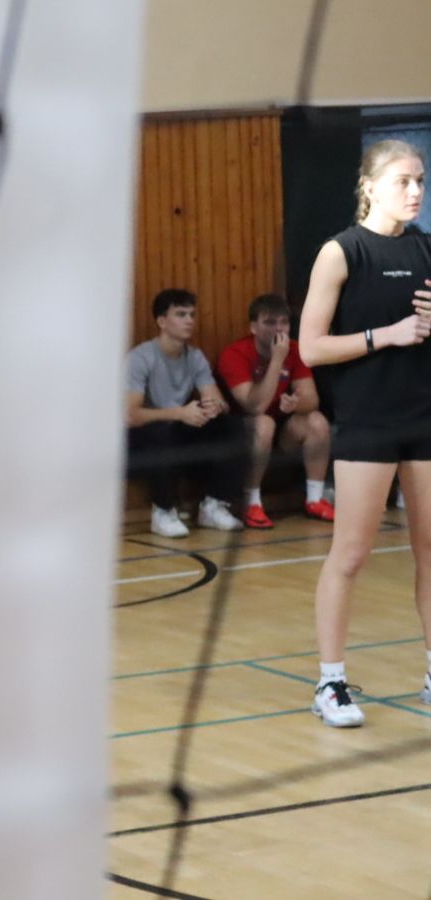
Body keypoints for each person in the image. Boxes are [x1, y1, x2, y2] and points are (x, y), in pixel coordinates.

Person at [298, 139, 431, 728]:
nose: (415, 191)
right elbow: (311, 348)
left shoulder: (427, 248)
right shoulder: (341, 252)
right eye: (403, 181)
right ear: (370, 186)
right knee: (351, 554)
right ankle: (330, 683)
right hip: (367, 421)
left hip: (425, 419)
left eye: (420, 180)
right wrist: (386, 335)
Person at [125, 288, 247, 537]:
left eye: (192, 314)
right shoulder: (140, 358)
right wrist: (179, 413)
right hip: (138, 440)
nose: (189, 320)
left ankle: (213, 505)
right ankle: (163, 511)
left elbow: (216, 398)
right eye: (181, 314)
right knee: (160, 431)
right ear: (162, 321)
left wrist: (215, 406)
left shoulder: (195, 357)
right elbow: (130, 415)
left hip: (176, 433)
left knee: (231, 426)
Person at [216, 294, 335, 528]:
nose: (278, 329)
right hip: (242, 432)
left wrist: (296, 404)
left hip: (282, 429)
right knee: (263, 423)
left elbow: (312, 399)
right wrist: (277, 361)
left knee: (316, 421)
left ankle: (315, 499)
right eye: (270, 322)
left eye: (284, 322)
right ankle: (251, 503)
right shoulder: (234, 354)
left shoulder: (295, 349)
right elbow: (254, 406)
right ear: (253, 327)